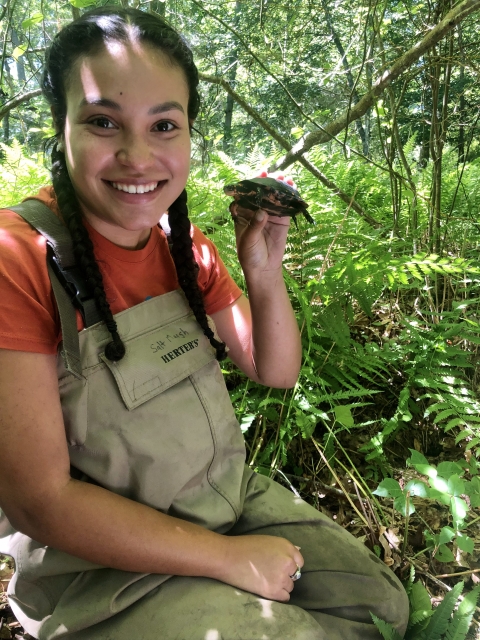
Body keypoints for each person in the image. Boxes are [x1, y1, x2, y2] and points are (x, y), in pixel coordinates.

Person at [0, 7, 409, 639]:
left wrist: (264, 274)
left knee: (383, 609)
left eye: (164, 124)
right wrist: (230, 560)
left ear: (189, 133)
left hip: (221, 500)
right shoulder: (17, 258)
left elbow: (274, 371)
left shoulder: (183, 247)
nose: (138, 157)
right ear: (62, 128)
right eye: (104, 122)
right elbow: (39, 502)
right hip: (97, 561)